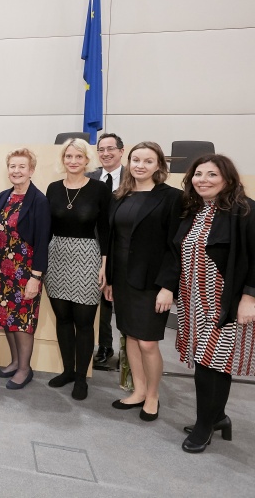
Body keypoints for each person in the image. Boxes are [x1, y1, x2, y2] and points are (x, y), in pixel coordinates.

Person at [166, 155, 255, 453]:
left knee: (210, 362)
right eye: (198, 174)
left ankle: (205, 425)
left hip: (224, 301)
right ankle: (218, 417)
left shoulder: (245, 210)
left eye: (212, 174)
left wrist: (249, 297)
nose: (202, 179)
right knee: (213, 363)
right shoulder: (193, 211)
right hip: (193, 299)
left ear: (227, 179)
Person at [104, 142, 181, 420]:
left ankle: (153, 395)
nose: (140, 165)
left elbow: (177, 246)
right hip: (123, 279)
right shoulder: (120, 195)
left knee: (148, 342)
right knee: (131, 337)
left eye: (148, 161)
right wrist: (110, 278)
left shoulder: (173, 198)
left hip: (152, 282)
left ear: (159, 165)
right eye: (136, 159)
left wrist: (168, 287)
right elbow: (113, 241)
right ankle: (138, 390)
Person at [44, 138, 110, 400]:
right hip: (56, 255)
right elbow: (46, 227)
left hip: (88, 256)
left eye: (79, 157)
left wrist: (105, 264)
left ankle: (81, 378)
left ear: (87, 160)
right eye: (69, 156)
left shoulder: (99, 189)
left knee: (84, 322)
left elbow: (106, 229)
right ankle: (68, 371)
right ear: (63, 159)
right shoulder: (52, 188)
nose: (73, 161)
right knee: (62, 319)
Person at [0, 148, 50, 390]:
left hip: (25, 273)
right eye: (12, 166)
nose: (16, 171)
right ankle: (14, 362)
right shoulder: (2, 196)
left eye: (22, 167)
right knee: (6, 319)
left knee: (22, 322)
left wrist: (36, 277)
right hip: (1, 270)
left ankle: (25, 369)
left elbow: (43, 242)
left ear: (31, 170)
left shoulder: (40, 201)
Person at [86, 133, 125, 365]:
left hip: (126, 247)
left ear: (121, 151)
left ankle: (130, 353)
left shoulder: (135, 176)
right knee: (101, 299)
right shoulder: (90, 177)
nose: (106, 153)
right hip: (98, 246)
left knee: (125, 303)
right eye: (101, 149)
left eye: (111, 148)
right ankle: (105, 345)